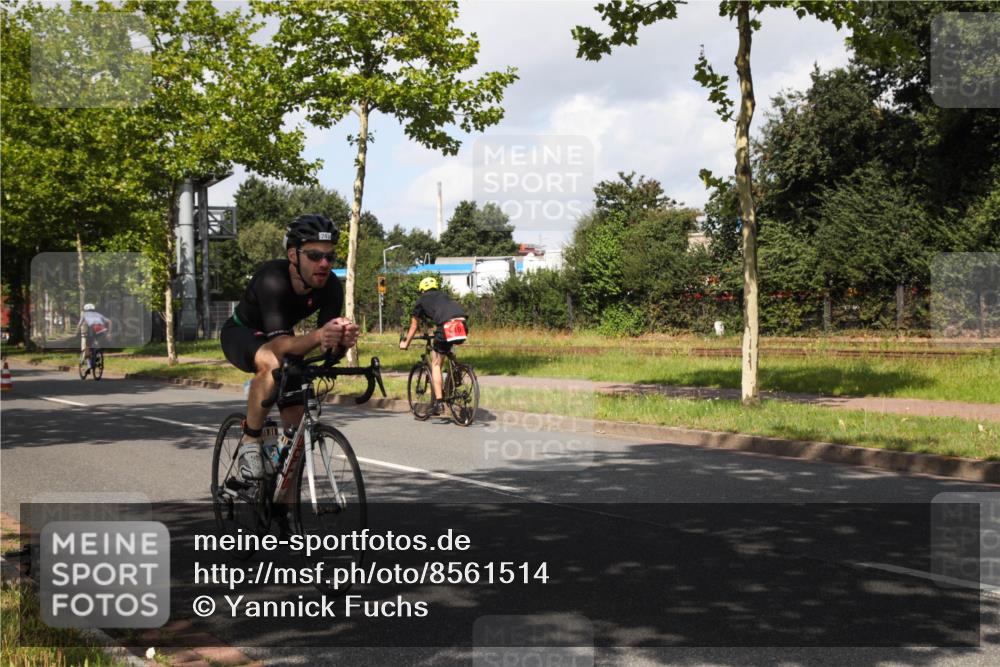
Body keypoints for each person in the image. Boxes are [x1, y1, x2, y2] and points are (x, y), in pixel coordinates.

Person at [221, 214, 358, 483]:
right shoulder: (273, 279)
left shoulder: (331, 287)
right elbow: (280, 347)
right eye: (315, 255)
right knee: (271, 363)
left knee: (296, 442)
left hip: (281, 337)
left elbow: (325, 349)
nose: (324, 264)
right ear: (293, 255)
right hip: (242, 333)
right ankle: (250, 441)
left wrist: (339, 344)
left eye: (330, 257)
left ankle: (283, 514)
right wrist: (319, 335)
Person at [399, 276, 468, 415]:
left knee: (436, 364)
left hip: (446, 326)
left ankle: (439, 403)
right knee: (448, 350)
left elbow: (414, 326)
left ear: (422, 290)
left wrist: (406, 343)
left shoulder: (421, 300)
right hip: (462, 323)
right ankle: (457, 372)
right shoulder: (444, 296)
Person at [77, 303, 111, 368]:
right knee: (98, 345)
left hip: (93, 328)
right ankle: (97, 355)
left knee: (87, 346)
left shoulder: (84, 314)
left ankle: (89, 364)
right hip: (102, 328)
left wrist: (78, 332)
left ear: (85, 309)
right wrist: (109, 333)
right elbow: (109, 321)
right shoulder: (99, 314)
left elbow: (79, 324)